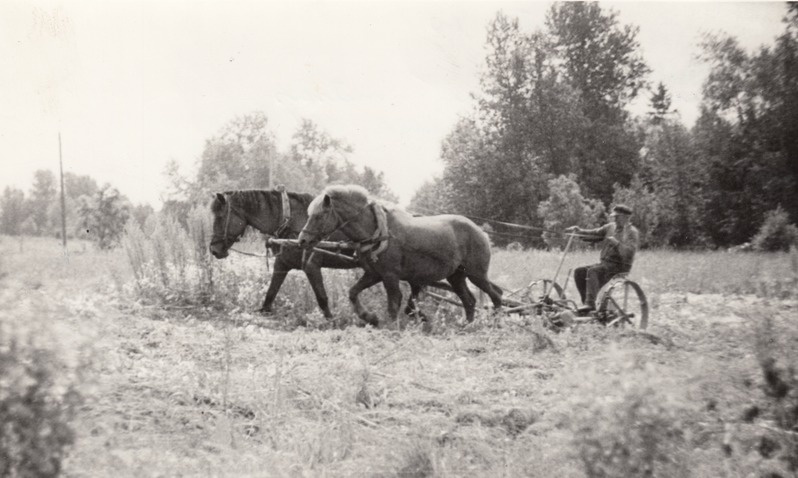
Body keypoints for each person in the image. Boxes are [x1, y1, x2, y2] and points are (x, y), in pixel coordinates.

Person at [565, 204, 639, 314]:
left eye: (617, 217)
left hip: (619, 267)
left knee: (593, 271)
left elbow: (630, 252)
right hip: (605, 264)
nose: (615, 219)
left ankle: (589, 304)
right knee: (579, 272)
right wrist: (578, 231)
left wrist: (617, 243)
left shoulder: (632, 232)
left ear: (626, 217)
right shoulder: (610, 227)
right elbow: (594, 234)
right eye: (614, 217)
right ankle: (588, 306)